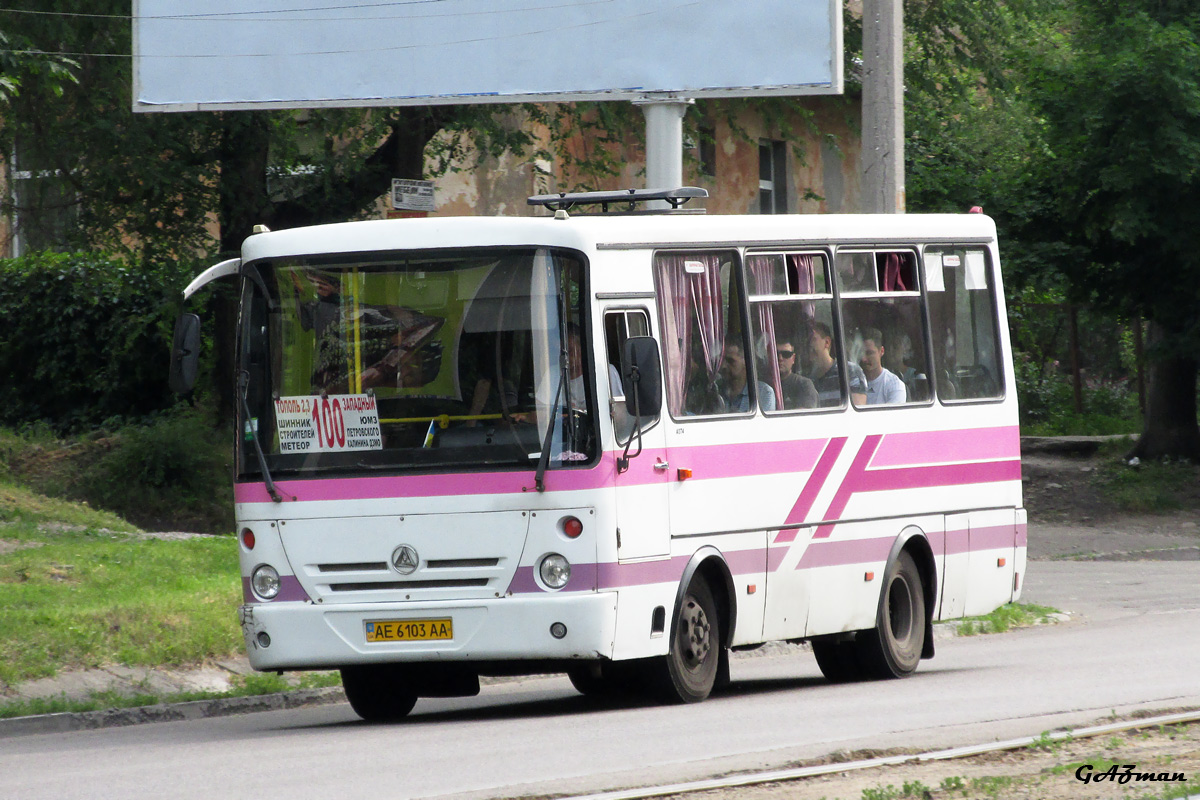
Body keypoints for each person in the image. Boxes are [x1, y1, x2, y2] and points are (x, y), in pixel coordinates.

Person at [807, 321, 867, 407]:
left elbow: (857, 413)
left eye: (813, 339)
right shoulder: (809, 380)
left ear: (827, 342)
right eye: (807, 341)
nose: (810, 345)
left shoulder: (850, 372)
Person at [718, 342, 775, 412]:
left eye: (731, 361)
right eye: (722, 361)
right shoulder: (717, 390)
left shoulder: (763, 392)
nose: (723, 366)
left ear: (745, 361)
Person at [858, 327, 907, 405]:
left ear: (881, 351)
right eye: (861, 353)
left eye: (869, 353)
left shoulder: (894, 385)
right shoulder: (853, 382)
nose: (864, 359)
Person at [775, 339, 818, 409]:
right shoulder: (764, 386)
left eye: (786, 354)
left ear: (793, 358)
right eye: (775, 354)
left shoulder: (804, 384)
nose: (780, 358)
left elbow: (805, 416)